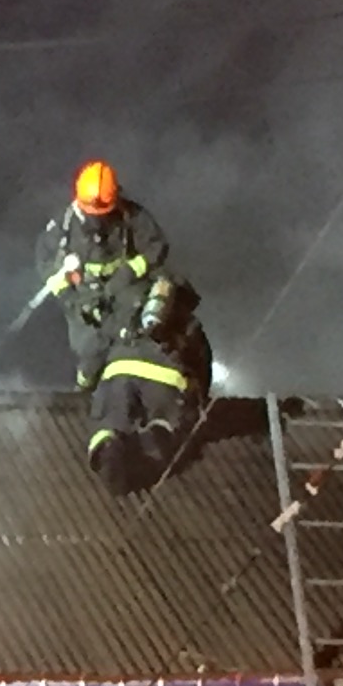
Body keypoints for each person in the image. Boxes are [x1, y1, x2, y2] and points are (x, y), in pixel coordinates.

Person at [35, 159, 173, 388]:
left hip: (123, 290)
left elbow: (157, 246)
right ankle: (84, 388)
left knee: (133, 336)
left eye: (102, 213)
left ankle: (131, 385)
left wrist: (129, 272)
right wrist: (72, 299)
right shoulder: (63, 226)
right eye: (91, 213)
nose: (97, 219)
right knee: (90, 347)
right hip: (83, 296)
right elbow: (46, 263)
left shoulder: (132, 217)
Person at [83, 278, 211, 497]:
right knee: (165, 425)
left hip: (119, 372)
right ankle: (151, 446)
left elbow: (97, 346)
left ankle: (110, 453)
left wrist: (85, 378)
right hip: (166, 380)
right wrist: (199, 400)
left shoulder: (126, 313)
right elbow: (202, 366)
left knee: (108, 423)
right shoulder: (190, 324)